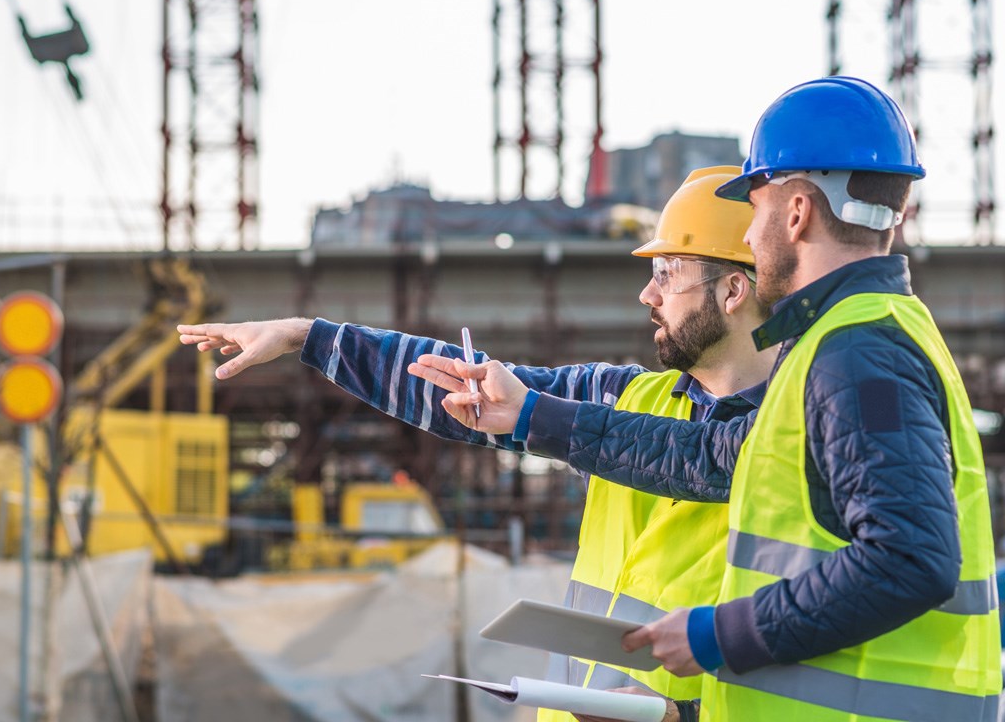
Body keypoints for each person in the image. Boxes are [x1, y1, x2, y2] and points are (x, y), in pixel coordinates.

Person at [418, 76, 1002, 722]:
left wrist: (713, 635)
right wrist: (532, 415)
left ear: (798, 212)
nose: (750, 239)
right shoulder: (845, 341)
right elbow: (711, 453)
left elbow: (910, 559)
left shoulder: (859, 353)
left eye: (754, 211)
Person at [178, 165, 776, 722]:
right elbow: (466, 389)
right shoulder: (626, 399)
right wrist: (308, 337)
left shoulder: (803, 434)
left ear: (731, 291)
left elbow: (810, 650)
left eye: (666, 275)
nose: (647, 296)